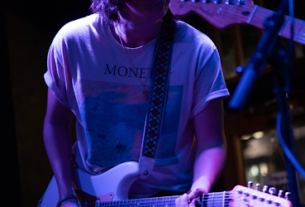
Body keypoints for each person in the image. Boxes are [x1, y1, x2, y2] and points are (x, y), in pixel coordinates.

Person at [42, 0, 230, 206]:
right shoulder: (73, 41)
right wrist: (66, 194)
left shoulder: (198, 49)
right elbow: (56, 123)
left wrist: (200, 186)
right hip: (89, 196)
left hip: (169, 196)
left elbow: (211, 142)